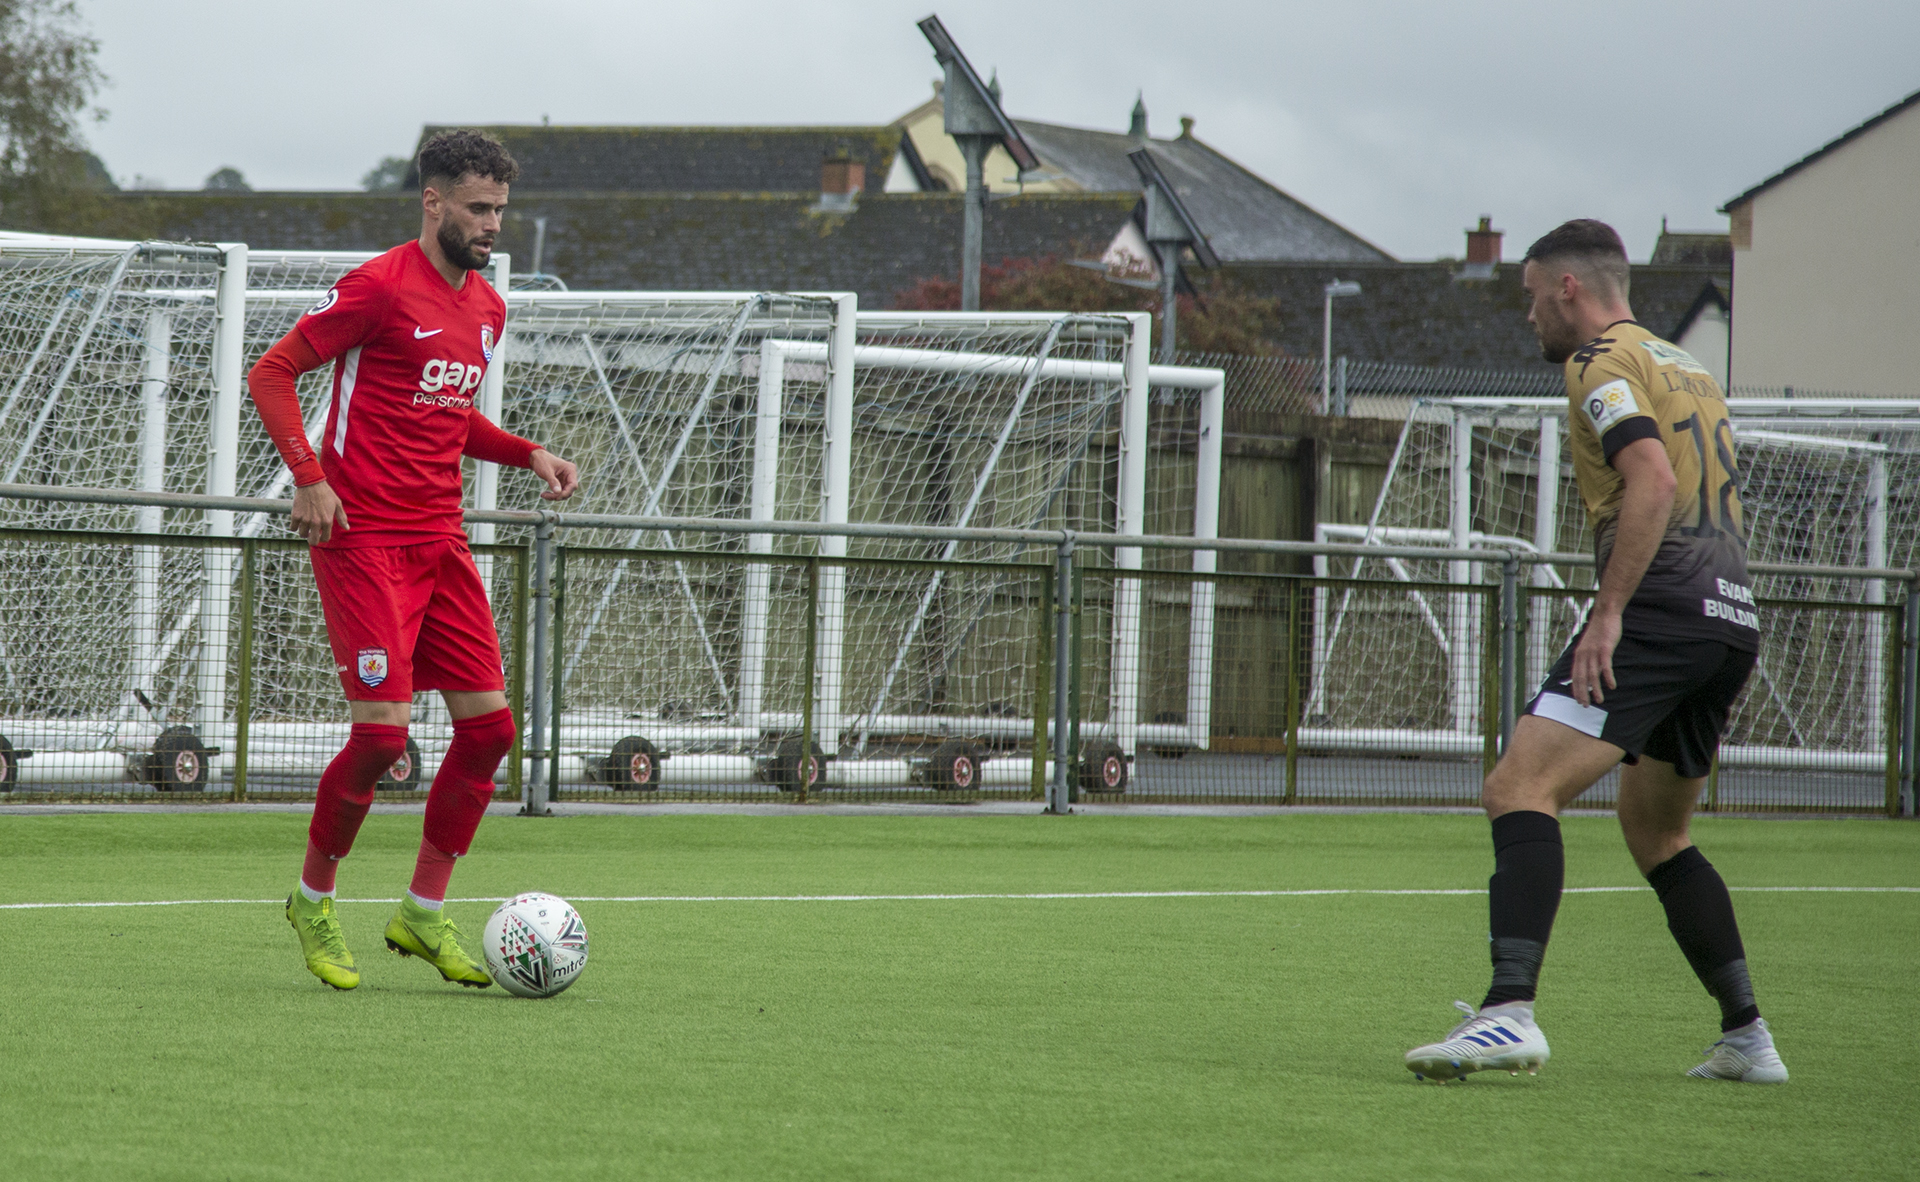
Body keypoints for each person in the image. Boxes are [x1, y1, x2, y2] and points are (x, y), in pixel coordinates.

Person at [1403, 219, 1785, 1083]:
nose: (1529, 313)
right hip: (1728, 614)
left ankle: (1508, 1011)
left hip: (1656, 609)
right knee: (1657, 828)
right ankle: (1747, 1037)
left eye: (1532, 295)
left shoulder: (1599, 363)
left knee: (1518, 786)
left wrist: (1609, 614)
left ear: (1568, 287)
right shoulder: (1688, 366)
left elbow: (1649, 478)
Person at [248, 129, 579, 991]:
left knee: (491, 730)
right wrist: (309, 478)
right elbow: (272, 373)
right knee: (381, 736)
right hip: (362, 541)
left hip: (442, 541)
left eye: (501, 209)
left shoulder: (488, 308)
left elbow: (448, 413)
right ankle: (313, 900)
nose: (492, 224)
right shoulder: (378, 286)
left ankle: (421, 914)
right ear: (433, 202)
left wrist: (526, 452)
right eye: (478, 207)